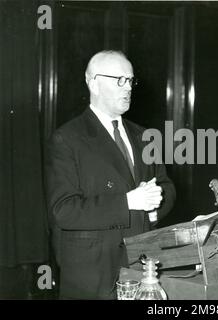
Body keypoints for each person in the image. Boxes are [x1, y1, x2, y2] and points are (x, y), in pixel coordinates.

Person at [45, 50, 176, 299]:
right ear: (93, 82)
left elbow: (166, 186)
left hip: (139, 266)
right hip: (92, 275)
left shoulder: (144, 135)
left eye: (130, 81)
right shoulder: (67, 138)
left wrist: (154, 207)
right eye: (119, 80)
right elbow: (63, 211)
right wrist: (128, 202)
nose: (127, 88)